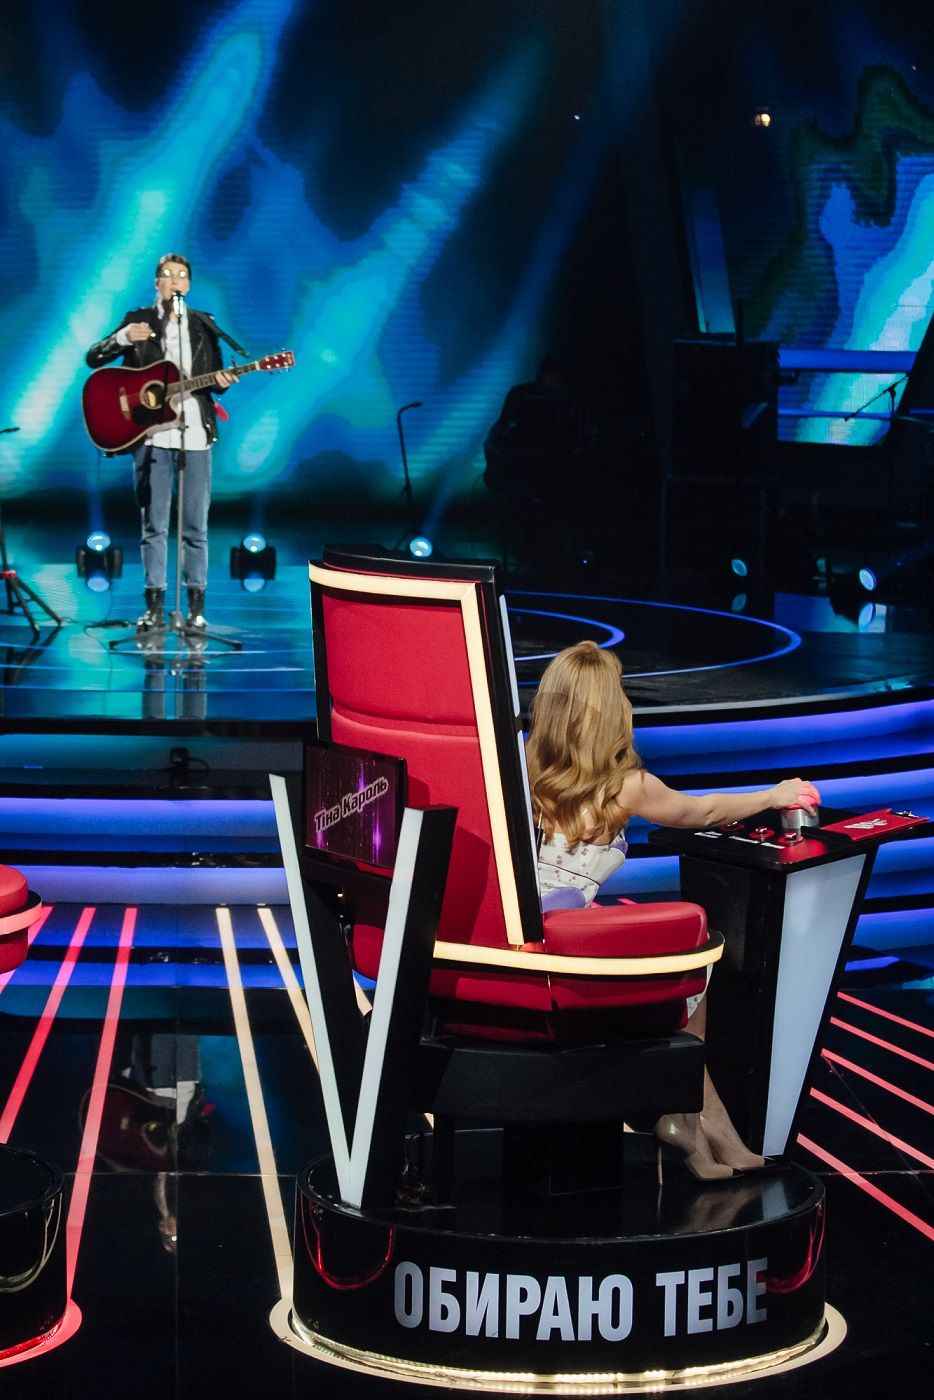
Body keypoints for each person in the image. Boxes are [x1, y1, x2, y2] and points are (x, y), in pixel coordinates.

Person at [525, 639, 822, 1180]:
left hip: (525, 937)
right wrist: (772, 796)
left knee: (685, 963)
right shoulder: (624, 786)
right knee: (696, 956)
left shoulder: (519, 768)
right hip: (566, 954)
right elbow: (701, 811)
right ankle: (688, 1116)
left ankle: (706, 1123)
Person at [86, 253, 238, 632]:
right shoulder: (138, 320)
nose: (175, 280)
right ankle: (154, 608)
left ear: (188, 284)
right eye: (167, 274)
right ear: (157, 282)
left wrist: (221, 382)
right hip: (151, 436)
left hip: (195, 435)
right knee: (154, 525)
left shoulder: (203, 324)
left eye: (182, 275)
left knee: (195, 527)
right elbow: (94, 358)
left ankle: (196, 609)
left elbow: (213, 377)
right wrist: (123, 337)